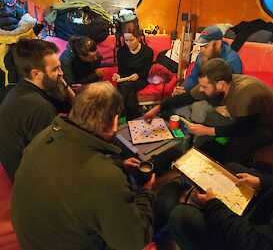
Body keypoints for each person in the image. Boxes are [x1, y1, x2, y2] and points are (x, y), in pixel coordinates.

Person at [11, 81, 183, 250]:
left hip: (37, 236)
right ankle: (177, 184)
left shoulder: (45, 135)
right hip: (76, 242)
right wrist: (146, 191)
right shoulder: (105, 177)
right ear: (115, 122)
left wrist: (119, 165)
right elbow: (134, 241)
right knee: (166, 202)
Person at [144, 58, 273, 166]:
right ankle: (202, 157)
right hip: (247, 119)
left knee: (237, 145)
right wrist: (158, 108)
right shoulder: (214, 85)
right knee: (211, 117)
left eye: (203, 87)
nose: (200, 90)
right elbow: (186, 98)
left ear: (220, 85)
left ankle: (231, 175)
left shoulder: (246, 92)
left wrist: (207, 130)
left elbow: (244, 128)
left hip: (271, 125)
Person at [169, 162, 273, 250]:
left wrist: (213, 206)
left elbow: (254, 241)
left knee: (181, 215)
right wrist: (262, 182)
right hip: (268, 209)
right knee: (232, 169)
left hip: (251, 233)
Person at [0, 38, 75, 182]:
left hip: (22, 168)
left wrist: (64, 86)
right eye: (55, 69)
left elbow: (70, 104)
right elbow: (53, 157)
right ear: (36, 73)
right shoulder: (39, 108)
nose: (61, 73)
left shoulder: (22, 88)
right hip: (29, 180)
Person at [173, 25, 242, 123]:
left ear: (218, 44)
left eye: (205, 46)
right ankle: (186, 131)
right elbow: (193, 77)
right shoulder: (203, 55)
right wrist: (183, 89)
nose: (201, 51)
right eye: (201, 47)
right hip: (202, 92)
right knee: (180, 101)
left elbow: (231, 91)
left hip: (220, 100)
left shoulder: (232, 60)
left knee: (199, 107)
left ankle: (197, 135)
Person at [112, 22, 154, 120]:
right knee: (129, 91)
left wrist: (138, 75)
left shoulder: (148, 52)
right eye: (126, 40)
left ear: (138, 37)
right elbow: (121, 70)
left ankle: (118, 114)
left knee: (125, 85)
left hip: (140, 80)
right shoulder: (121, 51)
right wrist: (118, 75)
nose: (129, 43)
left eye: (131, 40)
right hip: (125, 80)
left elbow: (145, 72)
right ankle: (131, 119)